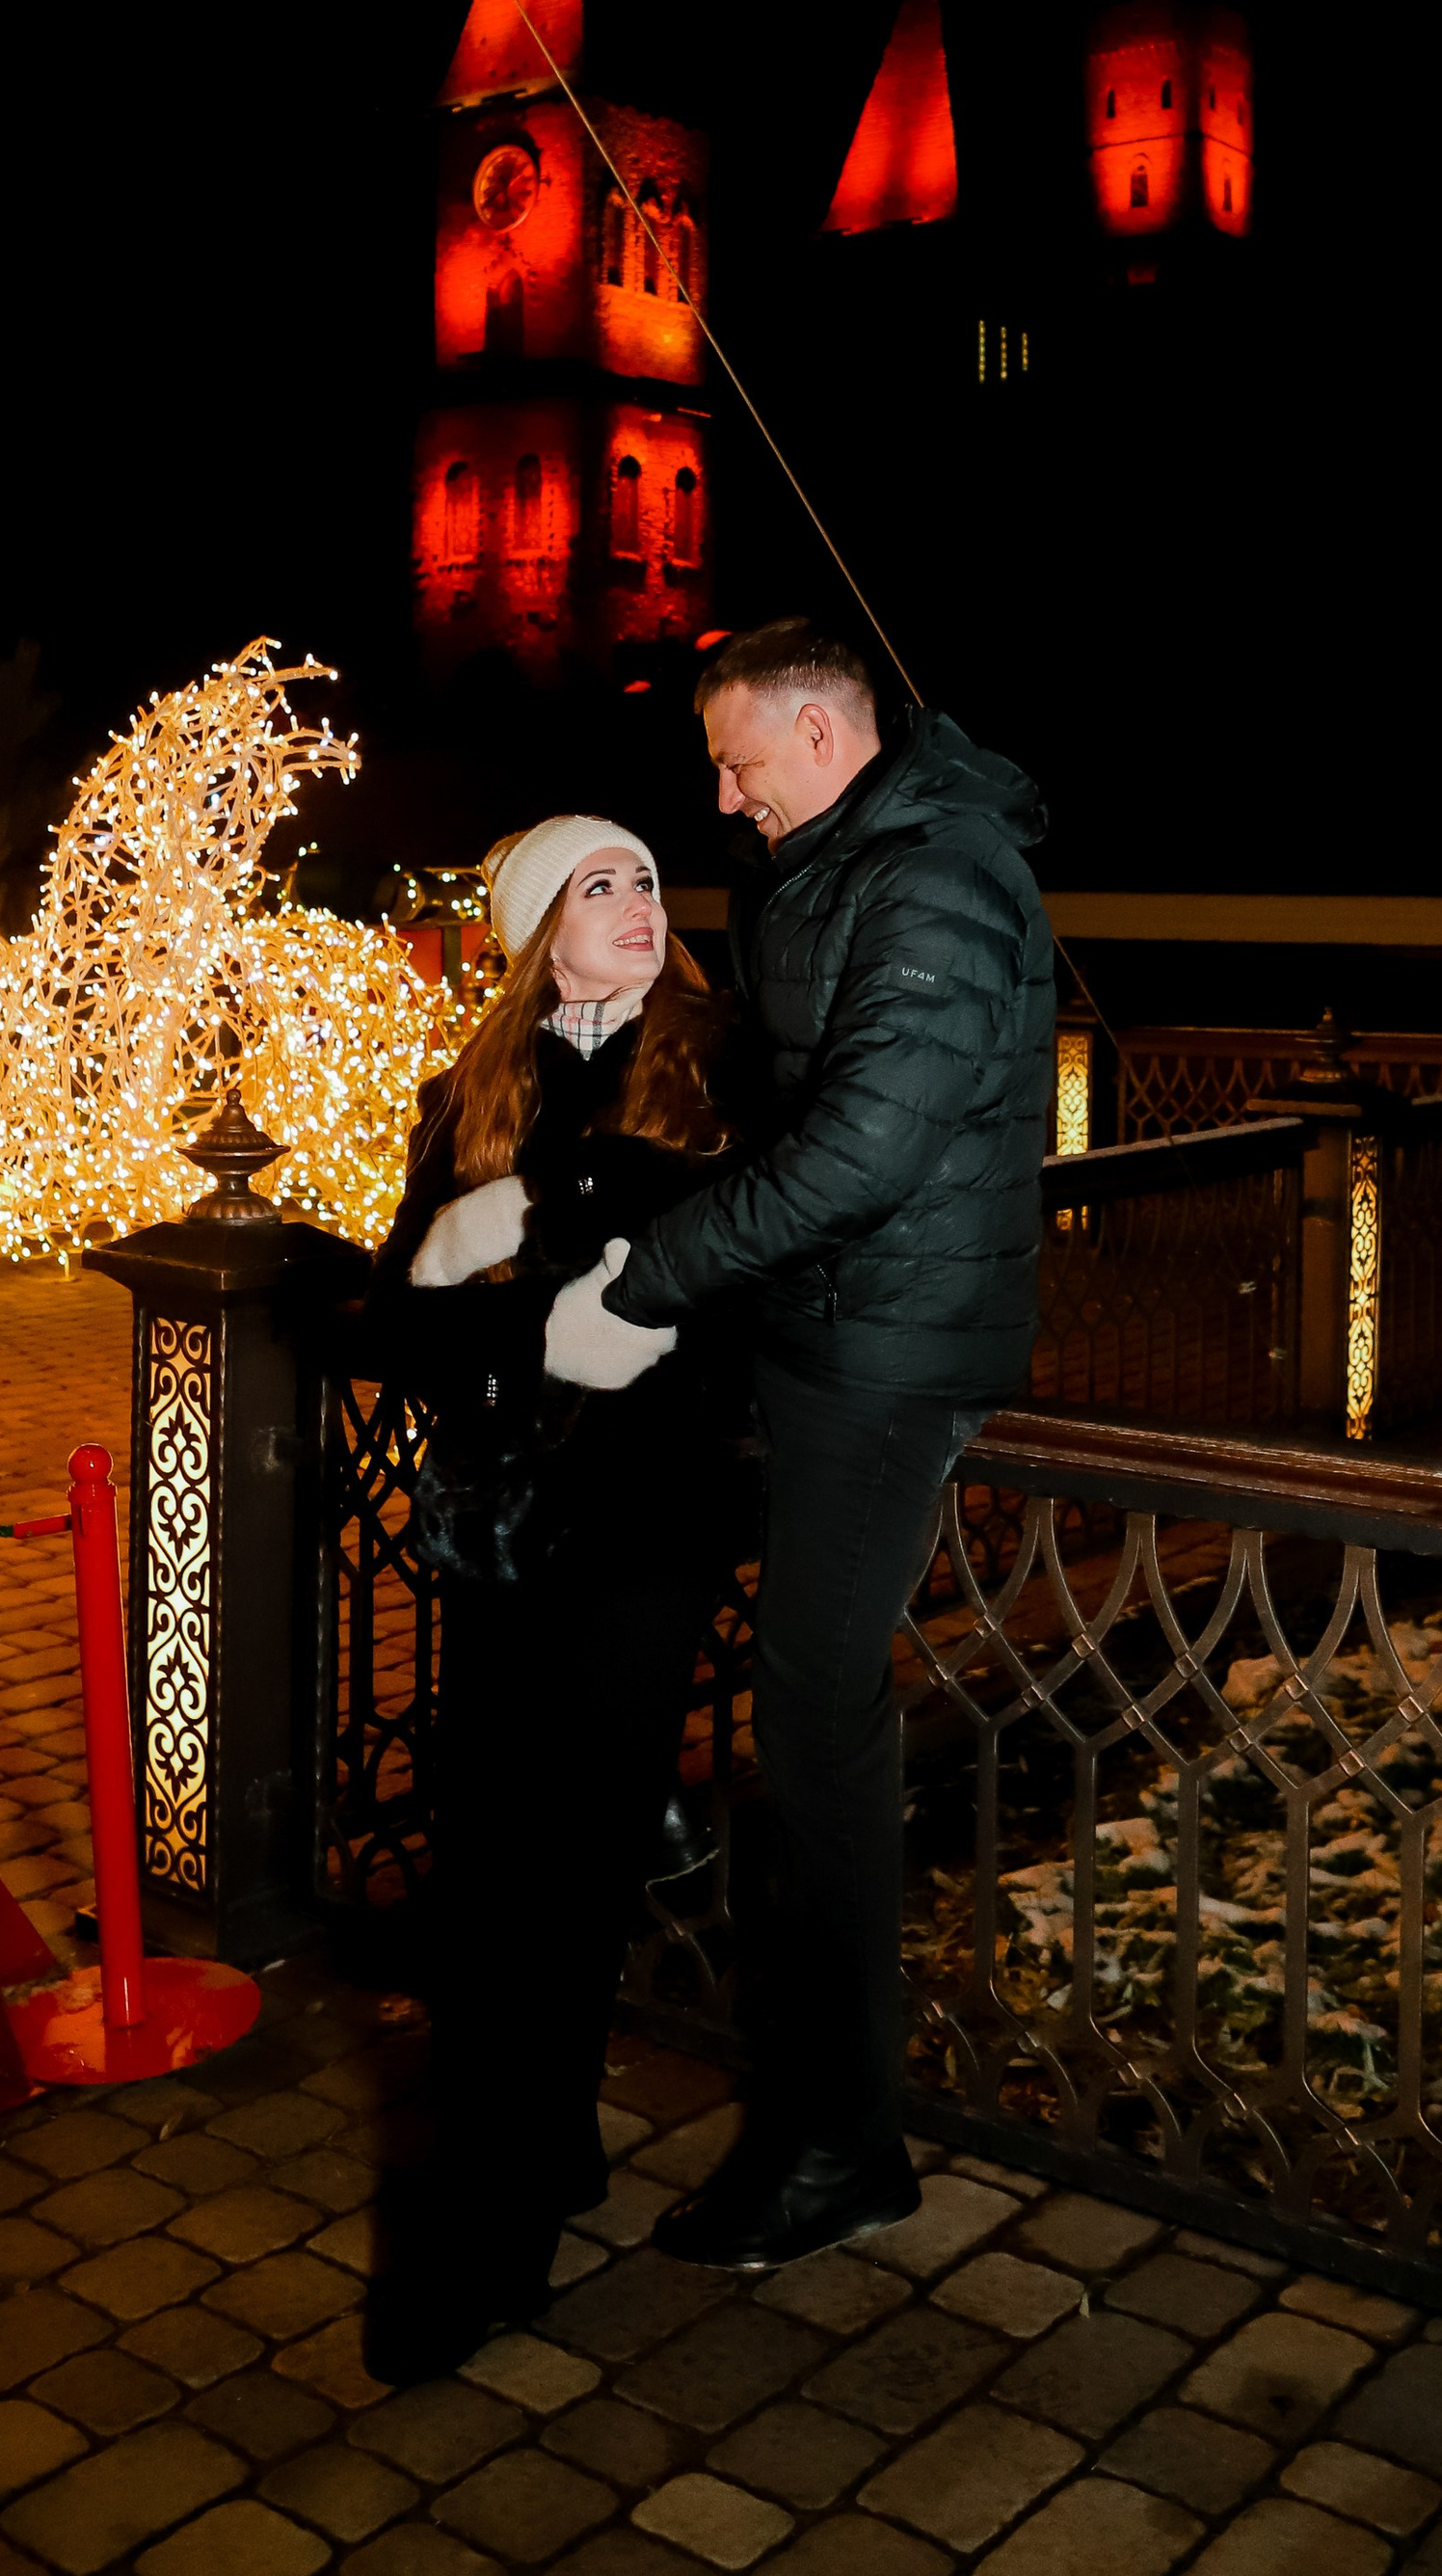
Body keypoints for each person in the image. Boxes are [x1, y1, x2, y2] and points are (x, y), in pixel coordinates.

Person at [545, 620, 1055, 2268]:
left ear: (825, 736)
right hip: (831, 1334)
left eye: (739, 760)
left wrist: (652, 1280)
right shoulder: (855, 866)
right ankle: (824, 2108)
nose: (720, 794)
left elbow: (858, 1152)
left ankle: (841, 2138)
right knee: (800, 1710)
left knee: (818, 1725)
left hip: (884, 1353)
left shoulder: (935, 884)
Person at [360, 814, 749, 2383]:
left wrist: (563, 1284)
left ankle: (482, 2239)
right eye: (601, 885)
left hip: (648, 1528)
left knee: (568, 1861)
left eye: (649, 880)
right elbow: (397, 1320)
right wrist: (490, 1261)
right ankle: (547, 2141)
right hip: (505, 1536)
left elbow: (736, 1299)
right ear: (535, 934)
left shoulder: (722, 1072)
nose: (639, 904)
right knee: (494, 1869)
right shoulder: (465, 1098)